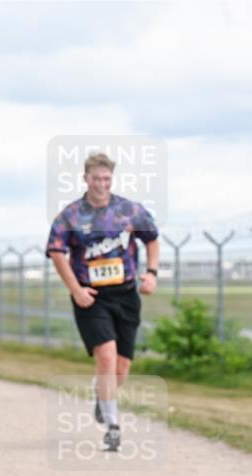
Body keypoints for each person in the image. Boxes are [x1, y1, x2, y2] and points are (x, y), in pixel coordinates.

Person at [46, 152, 160, 452]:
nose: (101, 184)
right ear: (86, 179)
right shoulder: (71, 215)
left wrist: (151, 273)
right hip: (91, 296)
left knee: (121, 367)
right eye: (96, 178)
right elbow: (56, 251)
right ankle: (113, 426)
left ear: (112, 179)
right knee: (106, 356)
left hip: (125, 293)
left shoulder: (129, 210)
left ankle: (102, 395)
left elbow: (152, 238)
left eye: (106, 178)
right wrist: (75, 289)